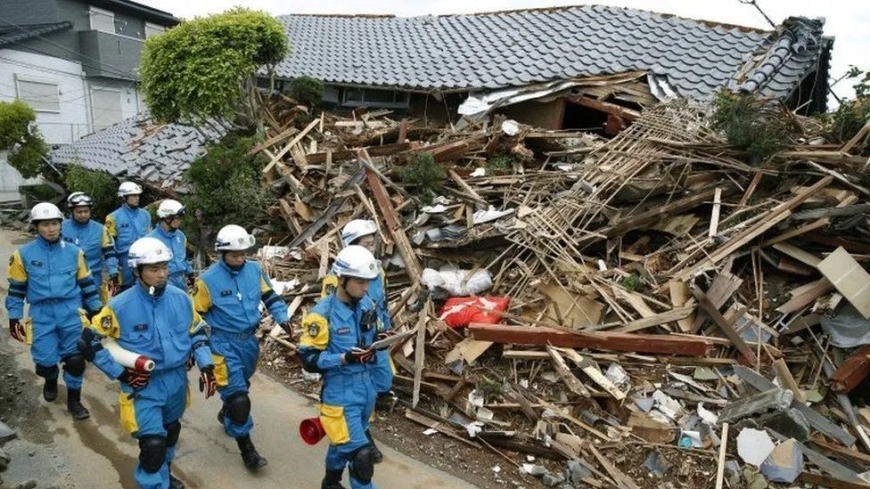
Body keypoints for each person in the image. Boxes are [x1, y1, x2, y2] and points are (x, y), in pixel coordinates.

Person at [79, 237, 216, 489]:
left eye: (164, 267)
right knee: (152, 445)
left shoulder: (181, 299)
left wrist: (206, 365)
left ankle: (165, 471)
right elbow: (89, 343)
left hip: (176, 381)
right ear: (137, 271)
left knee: (171, 432)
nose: (162, 274)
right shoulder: (120, 305)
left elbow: (197, 332)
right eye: (154, 269)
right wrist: (122, 374)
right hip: (143, 386)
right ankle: (153, 482)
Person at [192, 224, 291, 471]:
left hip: (249, 342)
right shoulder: (207, 281)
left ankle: (227, 411)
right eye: (234, 254)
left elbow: (270, 297)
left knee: (241, 385)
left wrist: (283, 317)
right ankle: (248, 450)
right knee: (239, 399)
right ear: (221, 253)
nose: (240, 258)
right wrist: (197, 349)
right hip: (222, 344)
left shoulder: (255, 271)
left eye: (243, 253)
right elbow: (195, 316)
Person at [6, 202, 102, 420]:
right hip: (41, 314)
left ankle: (74, 401)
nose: (51, 229)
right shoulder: (23, 255)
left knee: (76, 360)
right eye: (45, 224)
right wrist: (14, 317)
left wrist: (96, 309)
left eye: (55, 224)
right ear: (37, 226)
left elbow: (87, 283)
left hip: (70, 311)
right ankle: (50, 378)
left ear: (61, 224)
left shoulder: (75, 252)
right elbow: (16, 289)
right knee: (44, 363)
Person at [301, 245, 383, 489]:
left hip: (366, 390)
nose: (366, 288)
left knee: (343, 442)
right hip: (340, 394)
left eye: (368, 282)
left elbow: (371, 337)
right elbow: (309, 360)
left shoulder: (367, 304)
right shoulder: (321, 315)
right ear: (342, 279)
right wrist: (343, 358)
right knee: (361, 456)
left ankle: (330, 483)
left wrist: (383, 338)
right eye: (360, 282)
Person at [321, 219, 393, 463]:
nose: (371, 248)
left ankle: (357, 430)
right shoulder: (336, 280)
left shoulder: (376, 271)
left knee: (382, 382)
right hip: (351, 345)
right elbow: (333, 315)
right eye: (366, 243)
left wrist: (386, 331)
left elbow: (381, 305)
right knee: (357, 393)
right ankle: (362, 436)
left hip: (374, 339)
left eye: (373, 243)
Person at [61, 192, 118, 304]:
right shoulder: (61, 228)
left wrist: (113, 271)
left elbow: (109, 252)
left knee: (95, 310)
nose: (83, 215)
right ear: (71, 211)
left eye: (86, 211)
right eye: (79, 212)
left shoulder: (100, 229)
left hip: (94, 278)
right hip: (67, 278)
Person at [106, 182, 151, 293]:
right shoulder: (113, 217)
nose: (137, 198)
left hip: (145, 260)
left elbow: (151, 238)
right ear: (124, 198)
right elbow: (108, 245)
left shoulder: (145, 215)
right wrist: (113, 268)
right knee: (125, 293)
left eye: (138, 195)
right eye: (133, 195)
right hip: (124, 263)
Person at [147, 199, 193, 291]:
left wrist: (191, 274)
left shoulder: (181, 236)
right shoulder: (150, 240)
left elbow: (184, 258)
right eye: (178, 218)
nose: (180, 221)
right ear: (167, 218)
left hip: (181, 280)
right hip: (163, 282)